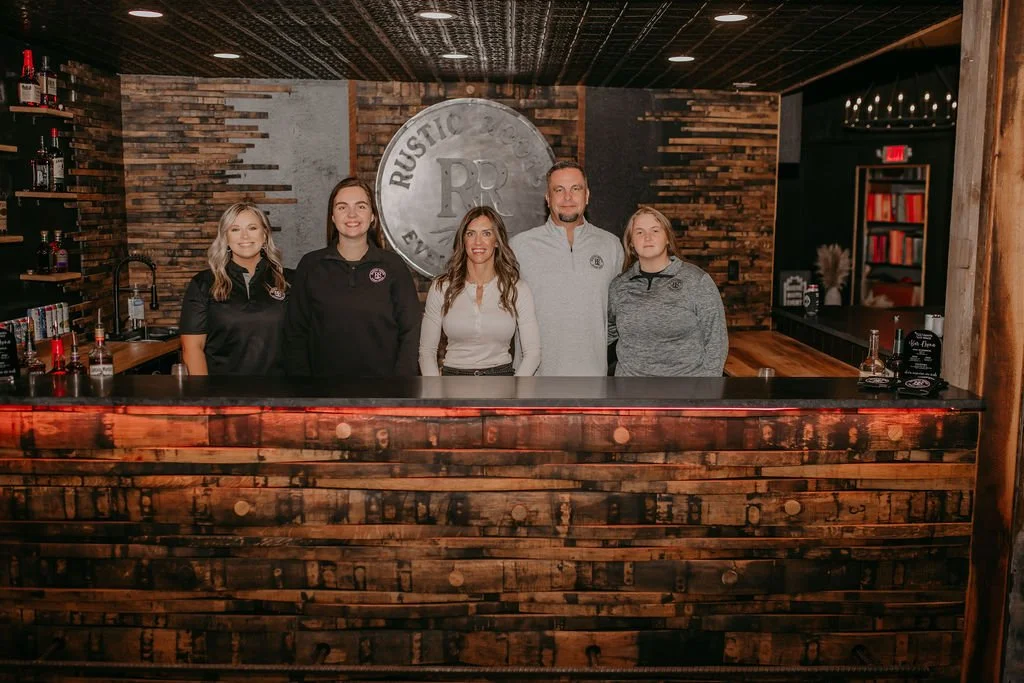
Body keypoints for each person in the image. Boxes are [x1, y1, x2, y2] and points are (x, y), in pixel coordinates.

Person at [283, 177, 421, 377]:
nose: (352, 214)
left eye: (361, 206)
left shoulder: (393, 266)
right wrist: (304, 387)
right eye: (342, 207)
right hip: (323, 394)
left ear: (372, 215)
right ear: (332, 216)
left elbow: (411, 331)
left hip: (384, 393)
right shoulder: (311, 266)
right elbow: (295, 333)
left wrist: (400, 386)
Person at [509, 160, 623, 375]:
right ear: (547, 198)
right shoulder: (519, 246)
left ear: (587, 195)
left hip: (593, 381)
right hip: (533, 382)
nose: (568, 197)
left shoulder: (611, 246)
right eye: (559, 190)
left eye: (576, 189)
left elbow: (618, 315)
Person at [419, 206, 540, 376]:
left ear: (497, 241)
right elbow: (426, 352)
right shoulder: (442, 287)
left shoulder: (517, 288)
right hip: (453, 382)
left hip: (501, 382)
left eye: (486, 233)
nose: (477, 242)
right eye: (470, 234)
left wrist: (515, 395)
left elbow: (533, 353)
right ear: (463, 240)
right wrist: (435, 394)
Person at [607, 207, 728, 376]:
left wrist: (707, 389)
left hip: (685, 392)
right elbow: (606, 332)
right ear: (631, 243)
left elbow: (716, 340)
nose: (647, 237)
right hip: (630, 392)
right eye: (639, 232)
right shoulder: (619, 286)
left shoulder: (696, 281)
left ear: (667, 239)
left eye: (655, 230)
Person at [180, 203, 291, 375]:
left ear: (265, 235)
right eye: (235, 229)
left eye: (252, 228)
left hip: (280, 394)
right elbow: (193, 348)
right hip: (223, 395)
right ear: (225, 238)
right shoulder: (203, 283)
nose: (244, 236)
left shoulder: (291, 280)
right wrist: (206, 397)